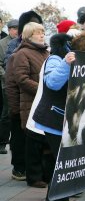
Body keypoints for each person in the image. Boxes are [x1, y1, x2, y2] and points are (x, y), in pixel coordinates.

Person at [32, 32, 80, 201]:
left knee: (64, 163)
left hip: (66, 119)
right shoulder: (54, 59)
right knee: (61, 163)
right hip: (53, 119)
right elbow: (52, 83)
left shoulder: (77, 58)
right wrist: (66, 64)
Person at [12, 22, 50, 188]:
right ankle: (34, 177)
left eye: (43, 32)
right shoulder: (22, 53)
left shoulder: (47, 53)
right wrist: (43, 89)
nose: (42, 35)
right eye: (38, 33)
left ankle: (45, 174)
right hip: (31, 102)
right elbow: (21, 78)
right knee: (33, 143)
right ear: (28, 35)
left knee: (46, 140)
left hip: (46, 102)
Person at [0, 19, 18, 154]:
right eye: (14, 28)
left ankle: (15, 142)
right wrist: (7, 76)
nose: (17, 31)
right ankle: (2, 142)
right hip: (7, 83)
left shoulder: (21, 42)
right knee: (6, 113)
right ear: (10, 29)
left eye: (19, 28)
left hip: (21, 83)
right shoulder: (2, 43)